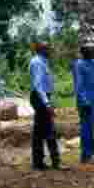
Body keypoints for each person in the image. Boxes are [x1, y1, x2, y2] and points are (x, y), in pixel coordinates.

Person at [29, 40, 61, 170]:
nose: (50, 51)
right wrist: (46, 103)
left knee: (39, 131)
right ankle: (55, 161)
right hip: (40, 97)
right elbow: (38, 85)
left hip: (42, 97)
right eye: (48, 48)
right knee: (49, 129)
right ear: (41, 49)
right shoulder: (37, 62)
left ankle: (38, 162)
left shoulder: (43, 61)